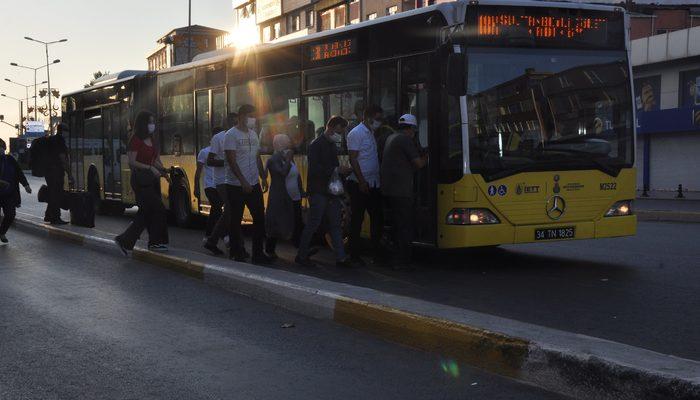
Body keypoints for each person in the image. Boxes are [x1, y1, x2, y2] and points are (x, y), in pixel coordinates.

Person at [296, 116, 352, 268]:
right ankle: (301, 255)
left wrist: (341, 173)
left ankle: (341, 257)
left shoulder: (331, 144)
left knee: (334, 224)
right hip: (319, 191)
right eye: (340, 130)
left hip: (330, 191)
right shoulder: (316, 145)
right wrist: (336, 169)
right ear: (332, 127)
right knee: (314, 223)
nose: (341, 134)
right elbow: (314, 169)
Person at [114, 111, 170, 254]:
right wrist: (150, 168)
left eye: (153, 121)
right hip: (140, 179)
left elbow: (155, 159)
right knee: (158, 209)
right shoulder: (136, 140)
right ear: (143, 124)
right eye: (150, 122)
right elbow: (132, 161)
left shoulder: (151, 139)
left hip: (150, 179)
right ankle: (156, 242)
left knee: (145, 212)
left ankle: (126, 240)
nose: (153, 125)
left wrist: (163, 171)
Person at [224, 104, 271, 264]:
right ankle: (236, 251)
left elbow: (256, 157)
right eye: (250, 115)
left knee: (259, 217)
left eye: (254, 116)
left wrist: (263, 176)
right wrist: (242, 181)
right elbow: (231, 160)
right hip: (236, 185)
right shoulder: (231, 135)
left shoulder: (253, 134)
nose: (253, 119)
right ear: (241, 116)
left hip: (253, 183)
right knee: (236, 219)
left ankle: (258, 254)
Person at [380, 114, 428, 268]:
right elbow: (419, 164)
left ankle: (396, 257)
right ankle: (403, 260)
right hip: (401, 190)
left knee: (397, 224)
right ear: (411, 129)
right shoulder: (405, 140)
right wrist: (427, 155)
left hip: (390, 189)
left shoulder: (391, 137)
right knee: (405, 225)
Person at [346, 104, 385, 265]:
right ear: (368, 117)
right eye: (377, 119)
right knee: (357, 219)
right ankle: (354, 254)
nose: (379, 122)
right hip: (360, 184)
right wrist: (361, 181)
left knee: (377, 218)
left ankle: (377, 254)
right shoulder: (356, 133)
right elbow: (353, 159)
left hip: (374, 182)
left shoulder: (371, 133)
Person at [203, 114, 240, 256]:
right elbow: (210, 161)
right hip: (222, 180)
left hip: (235, 179)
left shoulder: (238, 136)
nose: (233, 125)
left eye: (235, 122)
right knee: (231, 210)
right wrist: (227, 162)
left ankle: (230, 244)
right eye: (231, 122)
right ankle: (219, 242)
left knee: (233, 211)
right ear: (225, 124)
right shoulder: (218, 138)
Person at [264, 134, 304, 259]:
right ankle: (270, 249)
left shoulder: (288, 157)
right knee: (277, 223)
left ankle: (302, 250)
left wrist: (301, 190)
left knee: (297, 222)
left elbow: (296, 174)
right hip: (281, 197)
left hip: (295, 196)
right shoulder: (274, 159)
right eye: (287, 142)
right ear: (279, 144)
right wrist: (287, 159)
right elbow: (282, 173)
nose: (290, 144)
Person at [0, 139, 31, 244]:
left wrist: (26, 185)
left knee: (10, 215)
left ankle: (2, 232)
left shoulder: (10, 159)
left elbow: (19, 173)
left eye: (2, 147)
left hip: (8, 193)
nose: (1, 150)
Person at [44, 122, 75, 225]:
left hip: (48, 171)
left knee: (53, 193)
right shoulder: (60, 141)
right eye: (67, 131)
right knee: (56, 194)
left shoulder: (51, 140)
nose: (68, 133)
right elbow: (63, 159)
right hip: (56, 172)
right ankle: (55, 218)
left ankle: (48, 215)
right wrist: (69, 174)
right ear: (62, 131)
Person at [195, 130, 222, 243]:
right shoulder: (204, 152)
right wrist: (196, 188)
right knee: (216, 207)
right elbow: (198, 172)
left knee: (218, 210)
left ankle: (213, 235)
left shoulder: (224, 152)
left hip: (221, 185)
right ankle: (219, 236)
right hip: (210, 186)